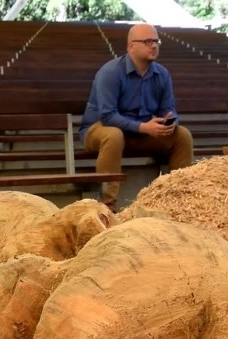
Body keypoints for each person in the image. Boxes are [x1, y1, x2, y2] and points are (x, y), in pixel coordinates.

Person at [78, 23, 194, 213]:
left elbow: (169, 108)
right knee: (113, 135)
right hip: (99, 130)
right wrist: (143, 127)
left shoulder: (162, 74)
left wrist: (169, 121)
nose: (154, 46)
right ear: (131, 46)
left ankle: (182, 203)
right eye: (148, 41)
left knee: (182, 135)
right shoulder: (110, 72)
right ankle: (107, 207)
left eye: (156, 41)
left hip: (140, 133)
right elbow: (107, 116)